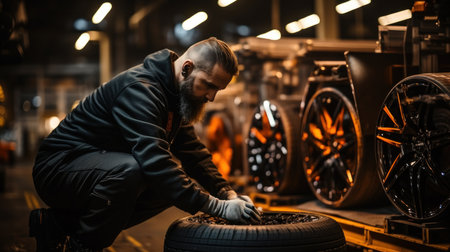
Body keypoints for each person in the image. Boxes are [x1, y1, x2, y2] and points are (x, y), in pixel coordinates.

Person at [29, 37, 261, 252]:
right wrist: (218, 208)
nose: (211, 97)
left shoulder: (175, 95)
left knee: (170, 187)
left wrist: (228, 193)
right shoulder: (140, 90)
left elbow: (194, 154)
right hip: (58, 169)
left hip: (94, 171)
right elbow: (155, 162)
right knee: (138, 171)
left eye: (217, 90)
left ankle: (55, 224)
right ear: (187, 68)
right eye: (208, 85)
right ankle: (82, 246)